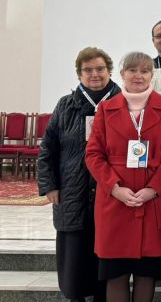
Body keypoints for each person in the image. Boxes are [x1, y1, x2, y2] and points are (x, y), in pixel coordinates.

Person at [85, 52, 161, 302]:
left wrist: (153, 189)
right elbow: (94, 155)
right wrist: (114, 188)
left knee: (145, 273)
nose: (138, 76)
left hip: (152, 201)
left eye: (144, 71)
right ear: (122, 75)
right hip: (114, 201)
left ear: (152, 76)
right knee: (115, 273)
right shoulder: (105, 109)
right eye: (132, 70)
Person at [38, 47, 121, 302]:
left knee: (105, 251)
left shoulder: (123, 103)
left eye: (99, 69)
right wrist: (49, 185)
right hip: (72, 190)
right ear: (79, 75)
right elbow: (48, 148)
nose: (94, 74)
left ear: (109, 71)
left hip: (110, 192)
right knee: (74, 253)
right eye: (88, 70)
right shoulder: (66, 105)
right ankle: (75, 296)